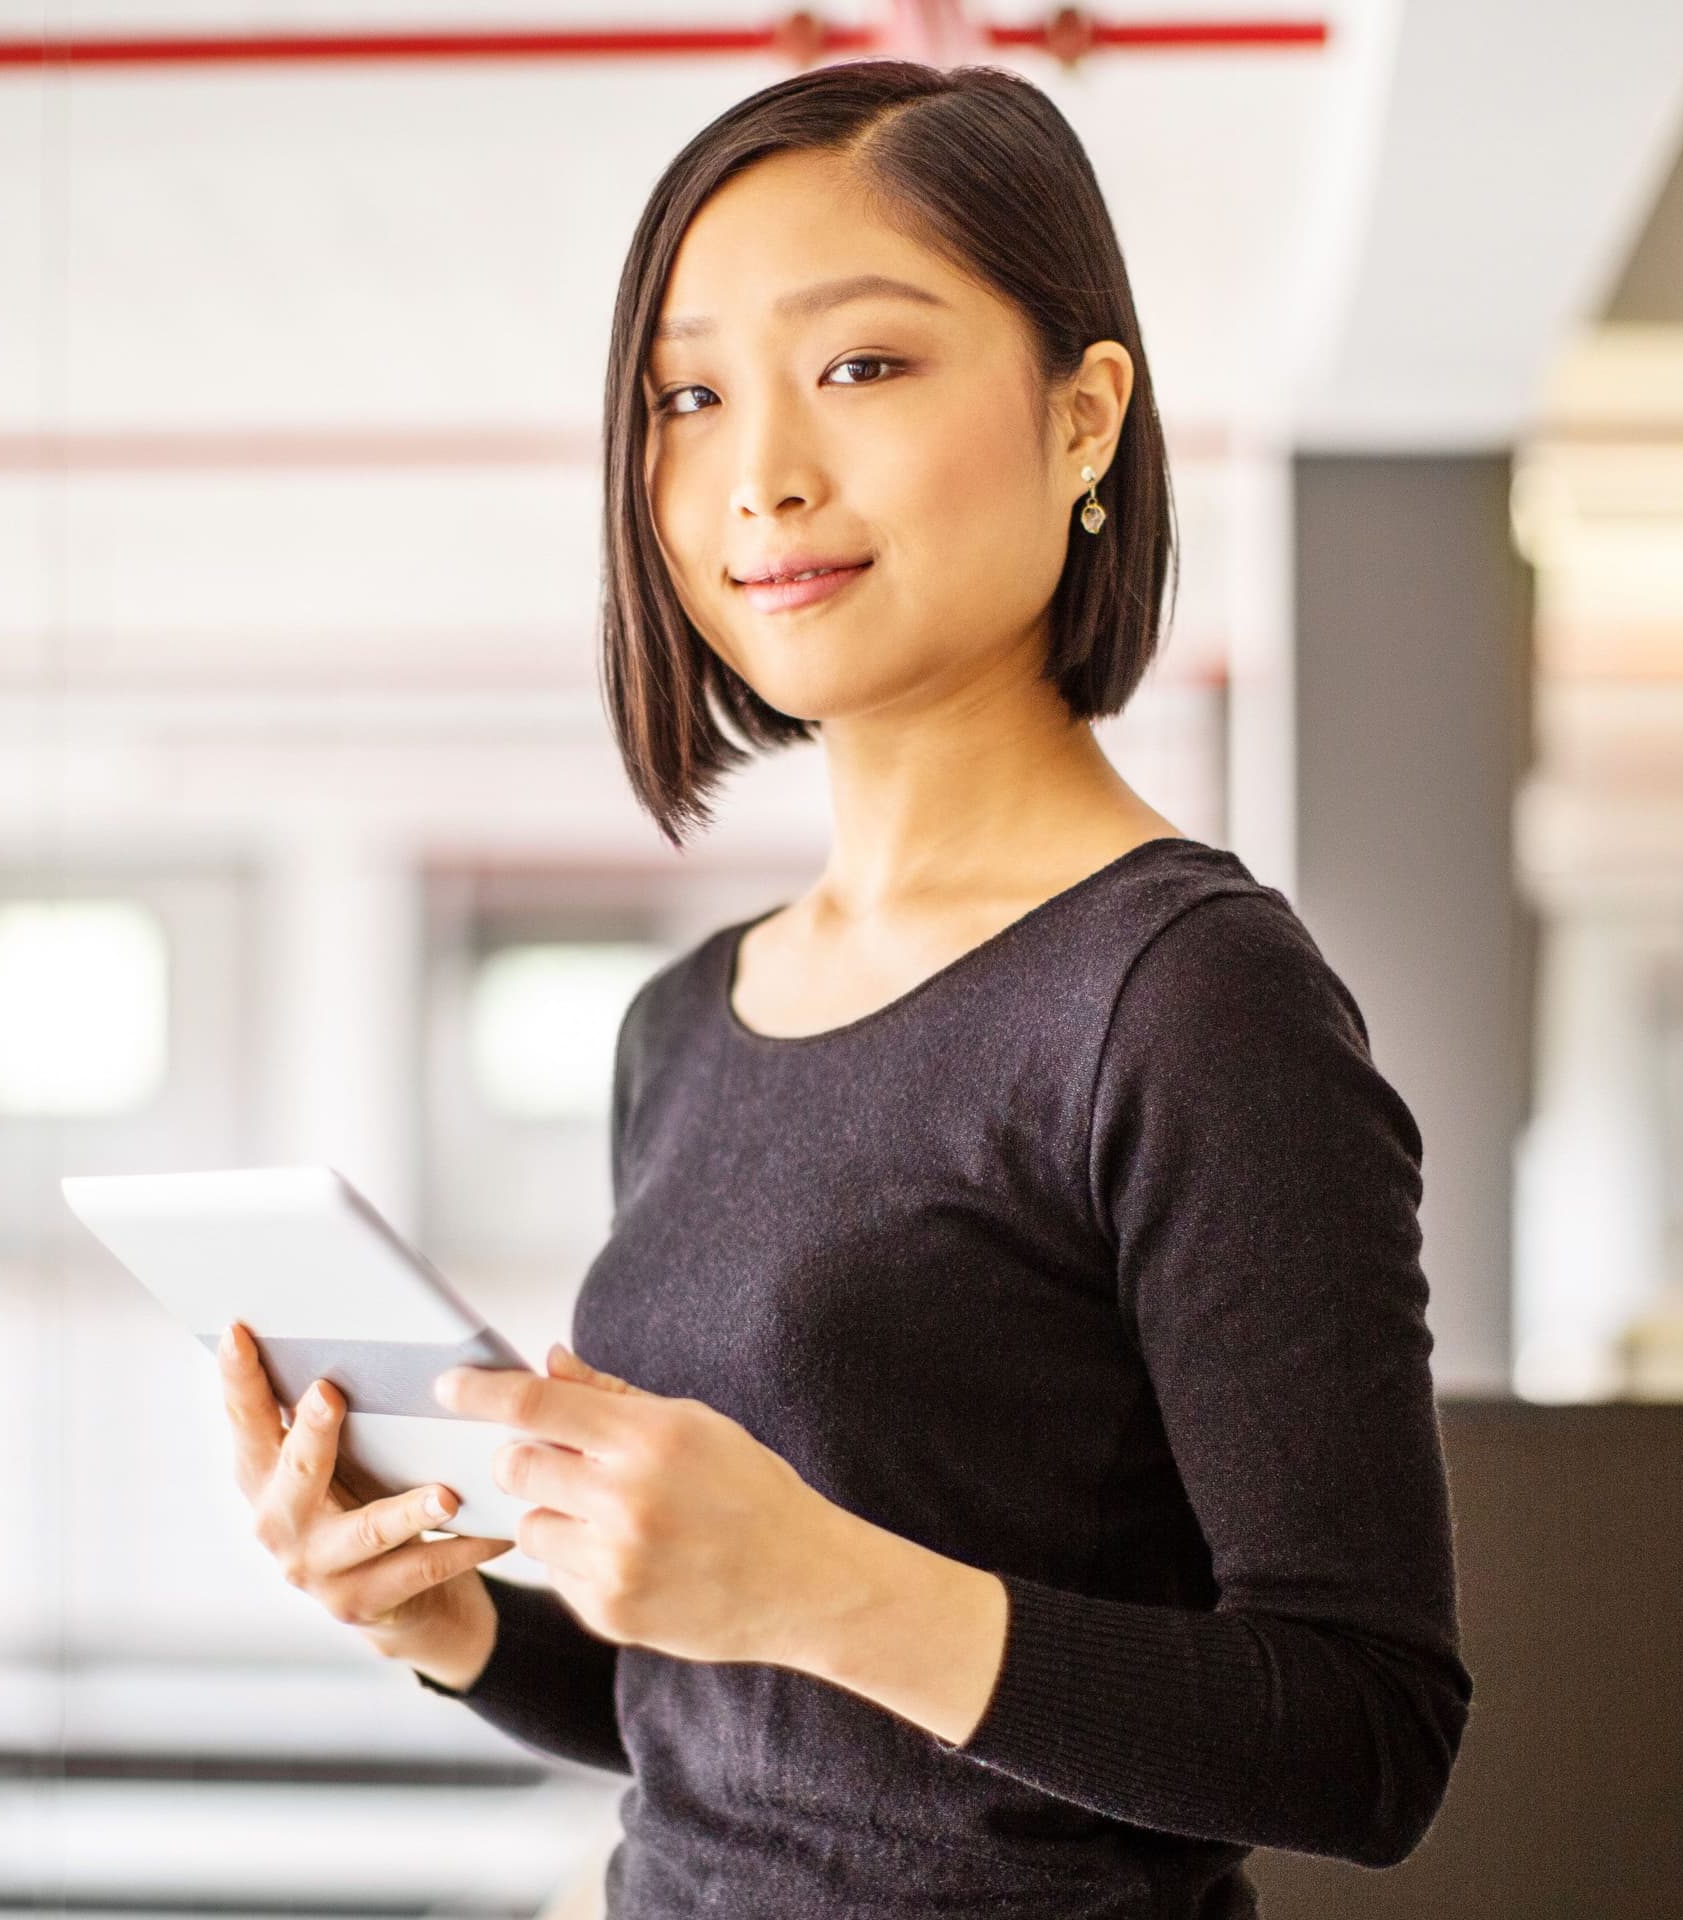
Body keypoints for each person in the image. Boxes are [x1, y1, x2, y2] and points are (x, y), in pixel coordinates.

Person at [218, 58, 1474, 1919]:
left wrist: (820, 1575)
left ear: (1085, 416)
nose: (762, 472)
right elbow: (731, 1728)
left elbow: (1366, 1739)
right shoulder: (680, 1029)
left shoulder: (1194, 1002)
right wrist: (457, 1619)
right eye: (690, 396)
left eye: (863, 367)